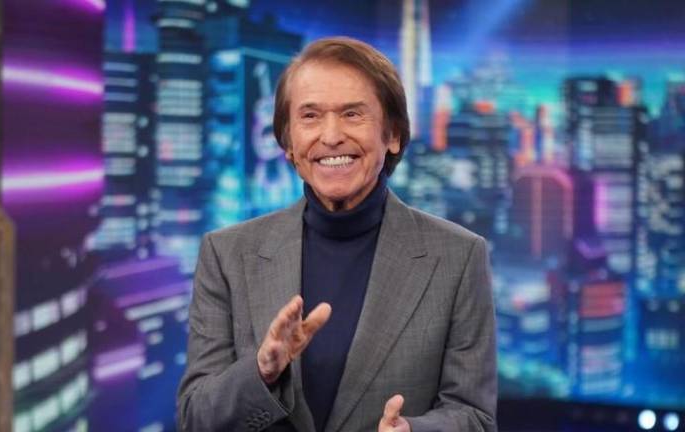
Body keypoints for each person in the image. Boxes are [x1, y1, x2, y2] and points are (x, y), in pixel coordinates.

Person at [177, 36, 497, 432]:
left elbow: (474, 417)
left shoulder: (459, 257)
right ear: (288, 143)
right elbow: (195, 417)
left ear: (393, 135)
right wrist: (261, 372)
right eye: (310, 116)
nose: (330, 136)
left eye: (352, 114)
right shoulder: (226, 254)